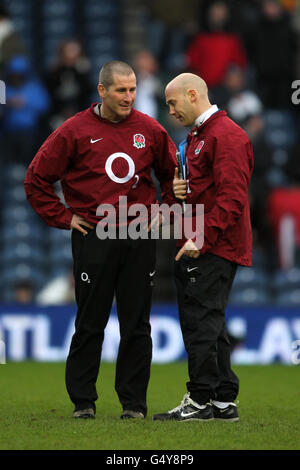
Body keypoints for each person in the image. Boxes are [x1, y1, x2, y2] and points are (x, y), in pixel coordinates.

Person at [24, 60, 177, 420]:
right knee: (90, 321)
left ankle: (134, 405)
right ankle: (83, 402)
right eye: (121, 90)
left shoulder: (150, 130)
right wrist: (64, 217)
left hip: (138, 233)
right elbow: (36, 179)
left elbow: (173, 175)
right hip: (94, 234)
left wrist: (163, 209)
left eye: (133, 89)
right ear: (102, 90)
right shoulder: (73, 130)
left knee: (136, 323)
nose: (129, 97)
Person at [153, 73, 253, 422]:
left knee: (200, 324)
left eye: (172, 103)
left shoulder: (226, 136)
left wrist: (202, 237)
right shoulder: (199, 137)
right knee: (211, 323)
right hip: (202, 242)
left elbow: (233, 197)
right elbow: (209, 190)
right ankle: (224, 400)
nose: (170, 111)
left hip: (212, 246)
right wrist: (182, 193)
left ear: (192, 94)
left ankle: (199, 401)